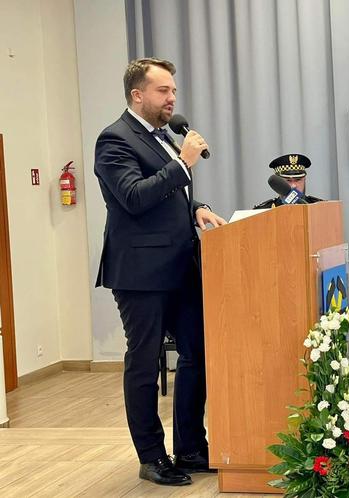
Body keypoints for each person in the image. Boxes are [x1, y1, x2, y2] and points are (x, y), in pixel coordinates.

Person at [94, 57, 226, 486]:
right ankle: (151, 456)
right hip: (140, 273)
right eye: (163, 91)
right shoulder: (114, 140)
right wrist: (183, 163)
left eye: (173, 90)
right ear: (138, 95)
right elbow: (133, 197)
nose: (172, 98)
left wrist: (197, 207)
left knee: (198, 353)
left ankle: (190, 447)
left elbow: (170, 197)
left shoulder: (165, 136)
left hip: (180, 266)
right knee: (145, 362)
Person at [253, 153, 323, 208]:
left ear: (305, 180)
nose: (293, 186)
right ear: (278, 183)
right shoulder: (264, 211)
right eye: (288, 180)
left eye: (298, 180)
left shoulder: (320, 208)